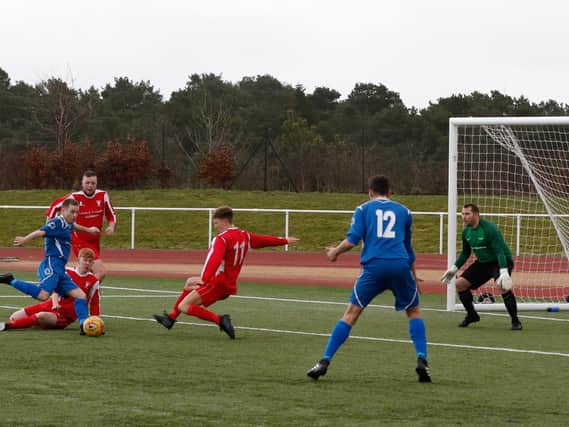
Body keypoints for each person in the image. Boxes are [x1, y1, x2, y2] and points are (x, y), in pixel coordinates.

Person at [306, 175, 431, 383]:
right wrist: (414, 276)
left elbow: (352, 240)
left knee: (350, 314)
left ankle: (324, 362)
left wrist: (334, 253)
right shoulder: (404, 211)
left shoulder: (363, 209)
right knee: (414, 311)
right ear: (390, 192)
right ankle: (422, 360)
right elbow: (408, 249)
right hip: (400, 266)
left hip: (374, 267)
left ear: (370, 192)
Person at [153, 206, 299, 339]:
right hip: (228, 284)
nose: (215, 227)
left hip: (217, 283)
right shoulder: (244, 235)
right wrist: (284, 240)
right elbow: (262, 240)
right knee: (189, 282)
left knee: (184, 306)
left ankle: (221, 320)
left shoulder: (221, 239)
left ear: (224, 221)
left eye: (216, 223)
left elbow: (213, 260)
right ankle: (170, 319)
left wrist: (204, 279)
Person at [0, 198, 100, 334]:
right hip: (51, 264)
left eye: (77, 212)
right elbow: (40, 232)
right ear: (63, 211)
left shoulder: (68, 223)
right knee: (43, 295)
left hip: (61, 269)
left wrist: (89, 230)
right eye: (72, 212)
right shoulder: (56, 222)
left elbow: (74, 226)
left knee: (80, 296)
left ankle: (84, 326)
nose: (75, 215)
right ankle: (10, 280)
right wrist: (25, 239)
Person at [440, 203, 522, 330]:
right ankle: (472, 315)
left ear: (476, 215)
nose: (464, 217)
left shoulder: (489, 229)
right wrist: (454, 269)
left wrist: (504, 271)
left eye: (467, 214)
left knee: (502, 285)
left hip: (501, 260)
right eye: (462, 214)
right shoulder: (466, 232)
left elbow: (499, 251)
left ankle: (515, 320)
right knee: (459, 284)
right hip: (483, 263)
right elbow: (465, 253)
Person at [0, 248, 101, 332]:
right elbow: (55, 288)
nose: (87, 263)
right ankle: (38, 323)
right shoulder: (66, 271)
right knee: (15, 317)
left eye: (90, 261)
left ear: (93, 263)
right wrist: (55, 302)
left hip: (65, 316)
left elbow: (94, 303)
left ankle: (7, 326)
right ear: (79, 259)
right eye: (85, 260)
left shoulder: (93, 281)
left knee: (41, 316)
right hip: (50, 305)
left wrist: (95, 320)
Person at [46, 170, 116, 281]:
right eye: (87, 182)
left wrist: (111, 226)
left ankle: (77, 289)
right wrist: (50, 227)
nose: (90, 186)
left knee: (89, 273)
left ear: (96, 184)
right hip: (79, 240)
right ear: (82, 183)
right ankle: (82, 294)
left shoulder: (103, 195)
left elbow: (111, 214)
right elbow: (55, 206)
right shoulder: (74, 197)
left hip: (95, 241)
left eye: (93, 183)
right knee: (100, 272)